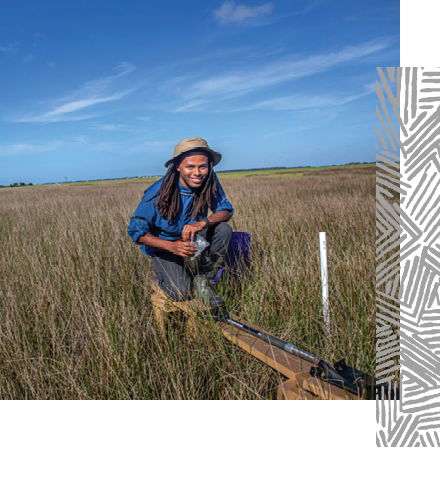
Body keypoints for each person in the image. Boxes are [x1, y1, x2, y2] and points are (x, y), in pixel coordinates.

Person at [127, 137, 233, 308]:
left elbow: (225, 211)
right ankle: (169, 271)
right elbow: (136, 231)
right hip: (165, 246)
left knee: (223, 229)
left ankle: (202, 279)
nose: (197, 173)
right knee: (180, 293)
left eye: (203, 166)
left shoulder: (209, 181)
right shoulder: (157, 192)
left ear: (209, 167)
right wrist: (172, 247)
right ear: (177, 167)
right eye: (190, 166)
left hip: (193, 238)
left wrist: (202, 223)